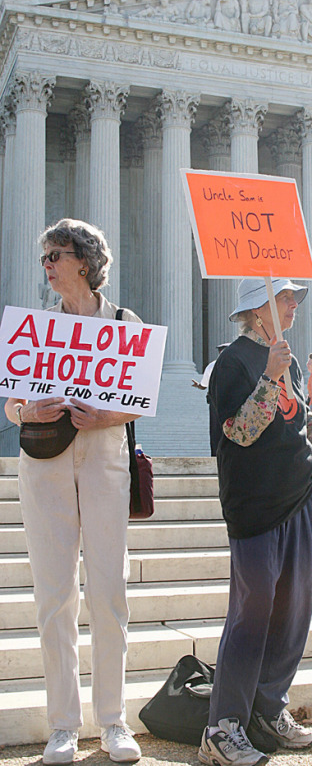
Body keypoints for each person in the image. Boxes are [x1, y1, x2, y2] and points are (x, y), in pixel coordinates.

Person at [4, 219, 143, 764]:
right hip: (44, 466)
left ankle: (113, 721)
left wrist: (104, 415)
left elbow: (139, 400)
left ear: (83, 261)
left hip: (105, 462)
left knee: (110, 593)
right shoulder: (35, 328)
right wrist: (24, 411)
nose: (47, 266)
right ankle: (63, 724)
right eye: (44, 257)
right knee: (54, 596)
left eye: (54, 255)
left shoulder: (124, 323)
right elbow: (10, 402)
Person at [199, 277, 312, 766]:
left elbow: (301, 413)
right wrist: (269, 378)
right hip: (255, 506)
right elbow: (238, 433)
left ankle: (269, 708)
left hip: (300, 497)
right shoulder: (231, 363)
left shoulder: (290, 358)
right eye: (284, 298)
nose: (294, 303)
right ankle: (223, 727)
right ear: (258, 311)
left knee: (294, 611)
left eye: (295, 297)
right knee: (251, 616)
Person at [192, 343, 230, 456]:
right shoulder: (236, 364)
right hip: (230, 400)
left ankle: (216, 454)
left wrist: (198, 385)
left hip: (216, 402)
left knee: (215, 429)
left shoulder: (212, 365)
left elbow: (204, 385)